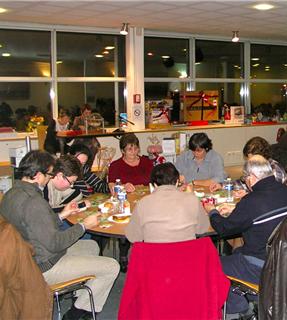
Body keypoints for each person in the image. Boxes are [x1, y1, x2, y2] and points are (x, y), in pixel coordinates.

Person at [0, 150, 119, 320]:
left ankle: (79, 295)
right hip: (43, 265)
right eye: (48, 174)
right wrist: (83, 226)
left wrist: (61, 215)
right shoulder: (34, 202)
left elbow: (34, 227)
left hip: (26, 258)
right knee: (112, 266)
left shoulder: (11, 194)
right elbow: (55, 243)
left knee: (91, 246)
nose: (50, 177)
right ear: (37, 174)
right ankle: (77, 312)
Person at [204, 155, 287, 315]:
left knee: (211, 262)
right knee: (237, 252)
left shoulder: (251, 200)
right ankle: (246, 296)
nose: (245, 181)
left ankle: (238, 306)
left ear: (252, 177)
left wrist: (212, 212)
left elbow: (224, 229)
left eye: (245, 177)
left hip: (261, 266)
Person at [126, 163, 210, 243]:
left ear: (154, 185)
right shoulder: (192, 200)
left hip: (155, 256)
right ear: (177, 182)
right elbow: (202, 229)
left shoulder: (143, 203)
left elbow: (133, 237)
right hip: (187, 255)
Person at [108, 133, 154, 272]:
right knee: (127, 224)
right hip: (126, 202)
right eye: (129, 149)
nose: (133, 152)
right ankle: (123, 255)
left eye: (136, 149)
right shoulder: (116, 165)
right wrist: (123, 186)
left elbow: (154, 182)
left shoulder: (146, 162)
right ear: (122, 150)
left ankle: (147, 254)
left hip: (146, 201)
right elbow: (112, 188)